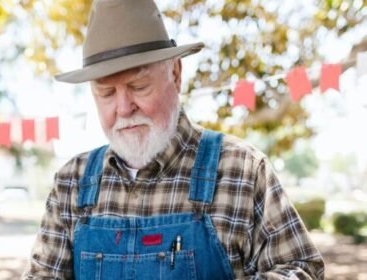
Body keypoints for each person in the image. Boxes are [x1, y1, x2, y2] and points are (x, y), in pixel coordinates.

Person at [22, 0, 324, 279]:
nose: (124, 108)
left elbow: (302, 268)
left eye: (138, 86)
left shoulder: (242, 169)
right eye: (107, 94)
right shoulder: (71, 183)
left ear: (176, 74)